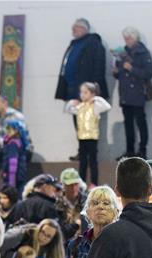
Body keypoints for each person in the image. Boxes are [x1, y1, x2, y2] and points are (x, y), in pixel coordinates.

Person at [55, 18, 109, 159]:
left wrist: (94, 89)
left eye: (77, 27)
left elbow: (99, 66)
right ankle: (82, 151)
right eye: (73, 27)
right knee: (78, 122)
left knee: (89, 122)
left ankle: (90, 153)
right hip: (73, 89)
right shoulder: (74, 44)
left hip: (87, 91)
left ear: (85, 29)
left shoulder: (93, 44)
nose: (73, 30)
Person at [112, 27, 152, 159]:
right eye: (125, 38)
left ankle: (142, 151)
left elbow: (148, 73)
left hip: (138, 93)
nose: (126, 40)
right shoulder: (123, 53)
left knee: (141, 123)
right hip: (125, 94)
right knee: (128, 124)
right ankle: (129, 151)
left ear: (135, 38)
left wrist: (132, 68)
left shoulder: (143, 53)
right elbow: (121, 74)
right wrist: (116, 72)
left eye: (128, 38)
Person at [64, 82, 111, 186]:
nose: (82, 95)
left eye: (85, 92)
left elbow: (107, 106)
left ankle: (94, 183)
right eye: (81, 92)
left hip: (92, 138)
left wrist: (96, 98)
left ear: (92, 94)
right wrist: (71, 102)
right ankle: (82, 183)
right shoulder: (80, 107)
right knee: (83, 162)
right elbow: (67, 110)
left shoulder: (95, 106)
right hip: (82, 139)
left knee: (93, 162)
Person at [1, 218, 65, 258]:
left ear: (53, 240)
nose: (43, 237)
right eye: (42, 232)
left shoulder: (49, 248)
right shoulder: (22, 234)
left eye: (48, 236)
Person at [56, 168, 87, 239]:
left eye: (76, 184)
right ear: (62, 185)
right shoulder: (56, 202)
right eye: (69, 185)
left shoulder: (87, 202)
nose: (73, 188)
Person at [2, 120, 30, 194]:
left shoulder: (13, 143)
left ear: (16, 131)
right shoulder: (17, 141)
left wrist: (11, 182)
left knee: (15, 196)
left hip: (14, 176)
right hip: (19, 175)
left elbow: (13, 162)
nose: (7, 131)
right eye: (7, 128)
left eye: (10, 129)